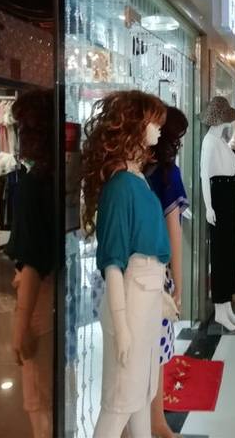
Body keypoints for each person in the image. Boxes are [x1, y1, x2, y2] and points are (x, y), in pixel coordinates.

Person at [82, 90, 171, 438]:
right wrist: (121, 325)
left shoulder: (136, 178)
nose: (159, 130)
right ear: (135, 125)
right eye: (154, 123)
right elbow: (113, 262)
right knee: (120, 400)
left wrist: (161, 294)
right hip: (131, 298)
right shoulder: (121, 185)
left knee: (141, 392)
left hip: (146, 294)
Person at [6, 89, 55, 438]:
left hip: (39, 300)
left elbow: (33, 262)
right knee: (53, 393)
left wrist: (20, 325)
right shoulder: (58, 177)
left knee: (38, 402)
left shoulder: (32, 184)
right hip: (58, 299)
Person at [145, 107, 189, 438]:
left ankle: (145, 423)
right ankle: (156, 421)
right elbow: (174, 230)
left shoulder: (134, 169)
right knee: (157, 352)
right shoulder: (166, 174)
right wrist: (179, 282)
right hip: (155, 271)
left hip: (129, 268)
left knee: (139, 354)